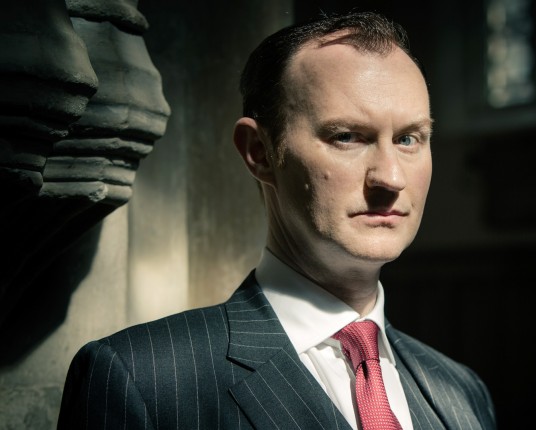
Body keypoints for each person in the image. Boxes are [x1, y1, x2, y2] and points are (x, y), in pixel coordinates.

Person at [58, 11, 496, 430]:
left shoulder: (460, 390)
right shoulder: (142, 379)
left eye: (409, 138)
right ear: (260, 153)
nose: (391, 178)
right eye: (347, 137)